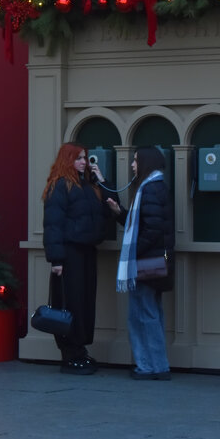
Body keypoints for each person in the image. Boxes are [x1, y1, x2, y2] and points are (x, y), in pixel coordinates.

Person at [41, 143, 121, 375]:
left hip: (87, 251)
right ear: (68, 160)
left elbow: (110, 208)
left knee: (84, 302)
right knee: (70, 302)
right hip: (69, 253)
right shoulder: (60, 186)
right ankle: (70, 353)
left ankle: (79, 351)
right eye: (78, 158)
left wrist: (102, 180)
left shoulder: (88, 186)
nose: (84, 162)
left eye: (85, 158)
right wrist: (56, 260)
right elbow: (53, 225)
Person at [116, 146, 175, 380]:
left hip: (145, 262)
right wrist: (119, 212)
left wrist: (132, 255)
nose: (132, 165)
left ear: (146, 163)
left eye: (136, 160)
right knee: (151, 312)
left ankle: (151, 366)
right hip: (157, 260)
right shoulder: (156, 187)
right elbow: (144, 224)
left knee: (142, 314)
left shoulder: (148, 189)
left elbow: (150, 230)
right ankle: (155, 365)